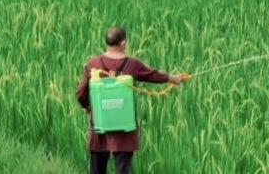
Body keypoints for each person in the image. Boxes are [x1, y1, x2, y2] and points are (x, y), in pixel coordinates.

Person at [76, 26, 187, 173]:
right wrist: (173, 78)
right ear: (123, 43)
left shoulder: (93, 64)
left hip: (99, 129)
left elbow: (80, 93)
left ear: (107, 42)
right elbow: (152, 75)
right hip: (124, 131)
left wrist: (88, 107)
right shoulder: (132, 65)